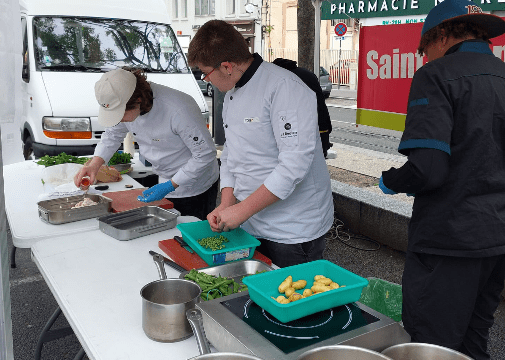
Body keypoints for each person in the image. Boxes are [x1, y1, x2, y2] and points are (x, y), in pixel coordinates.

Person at [378, 1, 505, 359]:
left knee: (432, 342)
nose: (425, 59)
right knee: (475, 336)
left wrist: (391, 180)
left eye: (424, 51)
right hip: (502, 236)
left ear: (441, 36)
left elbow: (428, 169)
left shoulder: (437, 75)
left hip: (450, 241)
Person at [187, 20, 334, 268]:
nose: (206, 80)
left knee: (292, 299)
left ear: (227, 66)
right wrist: (226, 203)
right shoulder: (233, 93)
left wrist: (242, 210)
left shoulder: (285, 88)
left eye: (205, 73)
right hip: (251, 224)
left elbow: (293, 165)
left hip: (292, 229)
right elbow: (232, 154)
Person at [74, 68, 219, 220]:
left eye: (120, 114)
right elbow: (112, 134)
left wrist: (172, 184)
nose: (119, 120)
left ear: (138, 100)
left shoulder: (179, 107)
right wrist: (94, 164)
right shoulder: (127, 104)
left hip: (196, 186)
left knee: (189, 234)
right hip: (163, 180)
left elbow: (205, 154)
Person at [272, 58, 333, 158]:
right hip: (320, 127)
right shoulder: (307, 74)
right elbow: (321, 104)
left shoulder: (284, 78)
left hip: (301, 133)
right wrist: (326, 128)